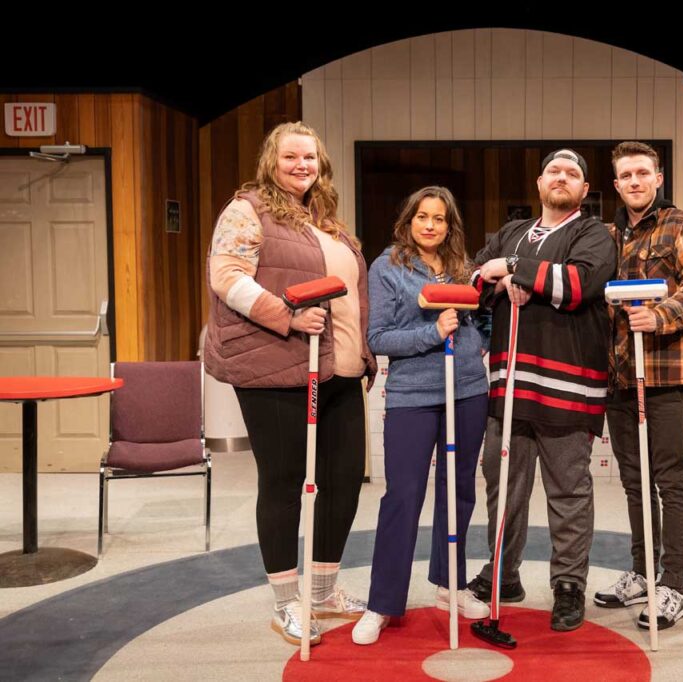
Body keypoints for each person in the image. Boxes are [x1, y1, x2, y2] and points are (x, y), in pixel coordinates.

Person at [205, 121, 375, 647]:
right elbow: (227, 277)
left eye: (310, 157)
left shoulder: (325, 220)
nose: (302, 166)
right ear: (270, 163)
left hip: (338, 370)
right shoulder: (248, 210)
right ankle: (286, 604)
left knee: (342, 480)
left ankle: (321, 591)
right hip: (275, 367)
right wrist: (286, 315)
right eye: (290, 157)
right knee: (283, 484)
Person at [467, 148, 617, 632]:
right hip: (509, 384)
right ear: (539, 182)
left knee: (567, 491)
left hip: (568, 386)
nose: (562, 177)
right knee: (503, 486)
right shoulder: (511, 230)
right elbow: (473, 280)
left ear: (584, 190)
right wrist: (500, 279)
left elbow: (579, 284)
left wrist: (514, 270)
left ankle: (569, 585)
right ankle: (503, 573)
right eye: (554, 170)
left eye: (572, 173)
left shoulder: (593, 233)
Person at [352, 187, 490, 645]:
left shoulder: (462, 268)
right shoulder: (387, 267)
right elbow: (379, 337)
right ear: (408, 221)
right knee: (403, 496)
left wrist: (476, 342)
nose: (430, 225)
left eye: (440, 219)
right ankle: (382, 602)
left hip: (467, 389)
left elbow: (480, 319)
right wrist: (432, 333)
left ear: (450, 226)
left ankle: (450, 586)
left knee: (459, 491)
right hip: (412, 394)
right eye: (422, 217)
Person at [594, 141, 683, 630]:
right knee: (634, 481)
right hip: (619, 376)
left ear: (658, 178)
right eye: (626, 175)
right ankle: (643, 571)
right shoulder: (606, 235)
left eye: (643, 173)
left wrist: (659, 317)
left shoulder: (681, 226)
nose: (635, 181)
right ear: (617, 184)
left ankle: (673, 585)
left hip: (664, 375)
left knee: (669, 481)